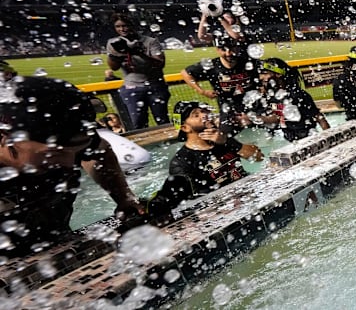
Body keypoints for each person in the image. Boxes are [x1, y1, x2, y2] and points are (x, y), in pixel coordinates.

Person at [0, 76, 144, 258]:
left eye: (77, 151)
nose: (69, 165)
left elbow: (100, 152)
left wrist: (124, 197)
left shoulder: (65, 142)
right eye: (54, 154)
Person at [144, 101, 264, 217]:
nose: (205, 115)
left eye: (204, 111)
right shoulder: (182, 161)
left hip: (248, 195)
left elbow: (259, 157)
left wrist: (227, 141)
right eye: (196, 115)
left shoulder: (223, 141)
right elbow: (188, 203)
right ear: (185, 128)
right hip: (224, 210)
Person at [181, 36, 257, 136]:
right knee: (225, 135)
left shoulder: (247, 62)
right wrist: (202, 91)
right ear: (217, 50)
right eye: (223, 49)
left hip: (253, 106)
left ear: (237, 48)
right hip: (228, 108)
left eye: (231, 48)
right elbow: (185, 73)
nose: (228, 53)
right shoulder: (211, 65)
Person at [106, 13, 170, 129]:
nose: (122, 29)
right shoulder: (113, 43)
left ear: (133, 25)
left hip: (155, 86)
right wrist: (116, 55)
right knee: (137, 124)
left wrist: (138, 52)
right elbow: (114, 67)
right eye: (118, 26)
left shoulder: (150, 41)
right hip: (132, 88)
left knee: (163, 120)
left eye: (125, 25)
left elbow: (160, 64)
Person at [247, 58, 330, 141]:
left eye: (265, 73)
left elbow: (319, 116)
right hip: (292, 139)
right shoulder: (273, 96)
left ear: (279, 74)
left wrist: (329, 136)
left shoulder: (297, 95)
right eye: (260, 74)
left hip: (307, 139)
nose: (261, 77)